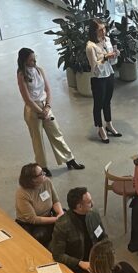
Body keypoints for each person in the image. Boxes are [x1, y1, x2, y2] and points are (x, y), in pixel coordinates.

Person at [16, 47, 84, 176]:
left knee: (56, 133)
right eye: (31, 60)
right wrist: (40, 112)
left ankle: (69, 159)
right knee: (37, 139)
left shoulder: (39, 70)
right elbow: (27, 99)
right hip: (33, 109)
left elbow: (48, 90)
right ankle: (42, 166)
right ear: (24, 61)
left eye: (35, 58)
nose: (34, 62)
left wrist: (47, 107)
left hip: (44, 106)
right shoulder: (21, 75)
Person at [50, 187, 107, 273]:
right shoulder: (62, 225)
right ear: (79, 207)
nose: (93, 204)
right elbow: (58, 255)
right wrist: (79, 263)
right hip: (77, 266)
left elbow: (103, 237)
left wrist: (106, 254)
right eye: (89, 202)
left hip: (96, 260)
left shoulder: (94, 214)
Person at [86, 19, 121, 143]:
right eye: (100, 30)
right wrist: (106, 57)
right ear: (94, 31)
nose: (104, 31)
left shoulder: (107, 40)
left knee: (107, 101)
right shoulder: (91, 47)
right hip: (98, 79)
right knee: (98, 104)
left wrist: (114, 56)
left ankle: (109, 124)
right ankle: (100, 128)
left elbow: (112, 62)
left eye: (104, 28)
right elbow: (95, 68)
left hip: (109, 74)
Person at [15, 163, 64, 248]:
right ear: (32, 180)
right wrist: (56, 219)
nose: (44, 174)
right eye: (41, 173)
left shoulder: (46, 182)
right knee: (37, 238)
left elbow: (55, 201)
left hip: (50, 216)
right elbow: (33, 219)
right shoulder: (22, 194)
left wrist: (60, 213)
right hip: (30, 223)